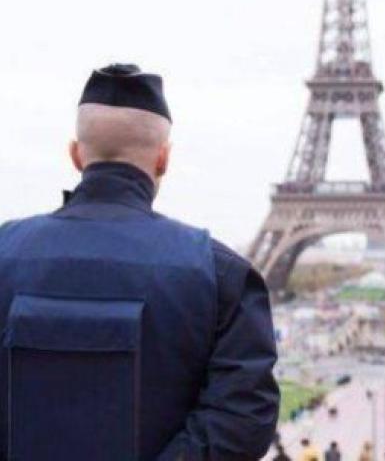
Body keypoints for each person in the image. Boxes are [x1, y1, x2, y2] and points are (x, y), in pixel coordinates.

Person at [0, 64, 279, 460]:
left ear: (75, 154)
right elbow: (242, 419)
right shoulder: (221, 274)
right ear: (163, 158)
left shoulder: (5, 251)